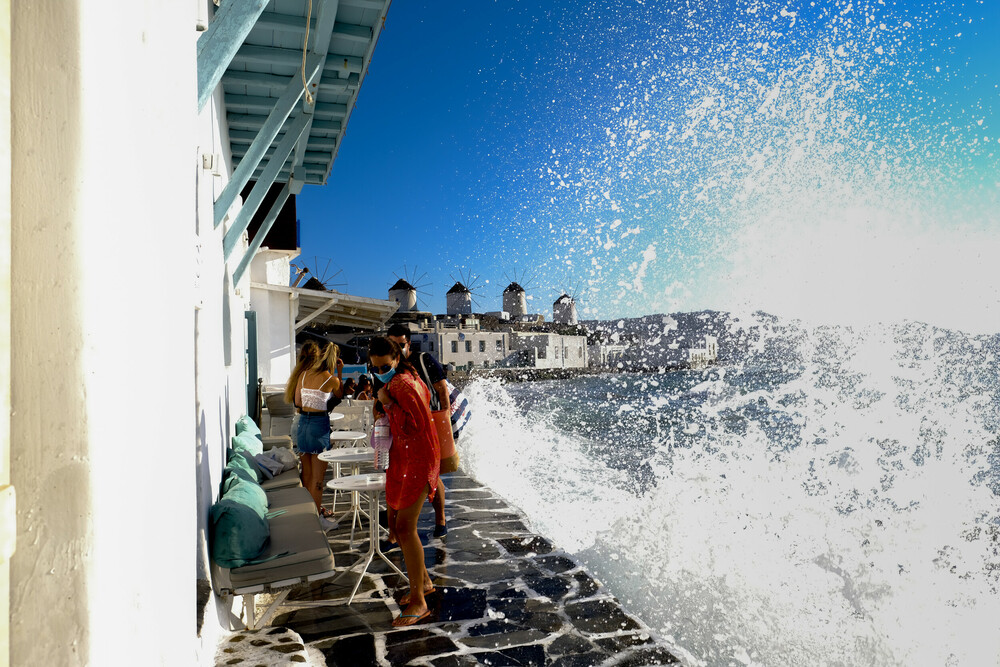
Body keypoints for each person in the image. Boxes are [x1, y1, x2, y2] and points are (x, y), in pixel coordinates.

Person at [368, 336, 439, 626]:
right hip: (409, 459)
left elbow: (416, 426)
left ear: (396, 359)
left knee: (404, 527)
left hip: (417, 460)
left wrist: (386, 404)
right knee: (399, 524)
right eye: (376, 367)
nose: (380, 371)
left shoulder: (401, 385)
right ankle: (424, 583)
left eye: (385, 365)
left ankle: (419, 602)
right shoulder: (406, 378)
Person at [386, 323, 452, 537]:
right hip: (399, 427)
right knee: (398, 473)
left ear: (408, 343)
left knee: (433, 474)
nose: (398, 348)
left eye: (401, 344)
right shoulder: (387, 366)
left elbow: (441, 389)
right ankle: (394, 531)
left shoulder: (424, 360)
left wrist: (445, 418)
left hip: (429, 424)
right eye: (393, 344)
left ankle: (440, 518)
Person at [285, 340, 343, 527]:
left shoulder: (302, 375)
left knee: (307, 476)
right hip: (319, 425)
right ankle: (316, 519)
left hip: (303, 425)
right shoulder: (332, 379)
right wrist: (338, 372)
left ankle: (308, 515)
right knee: (318, 480)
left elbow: (298, 402)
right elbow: (339, 394)